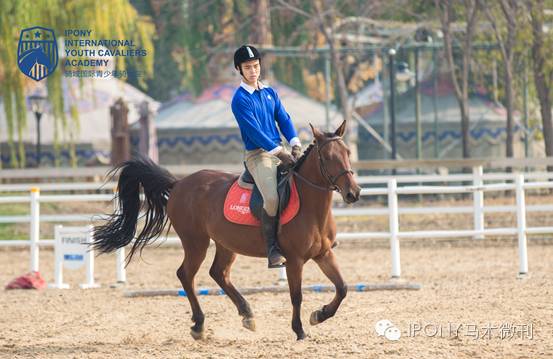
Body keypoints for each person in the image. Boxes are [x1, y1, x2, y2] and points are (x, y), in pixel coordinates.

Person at [231, 45, 302, 268]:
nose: (253, 71)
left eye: (256, 66)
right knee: (271, 198)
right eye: (248, 67)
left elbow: (284, 119)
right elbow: (255, 133)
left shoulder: (270, 92)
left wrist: (295, 143)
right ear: (239, 70)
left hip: (280, 150)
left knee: (311, 175)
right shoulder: (240, 99)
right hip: (258, 155)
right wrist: (280, 153)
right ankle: (272, 248)